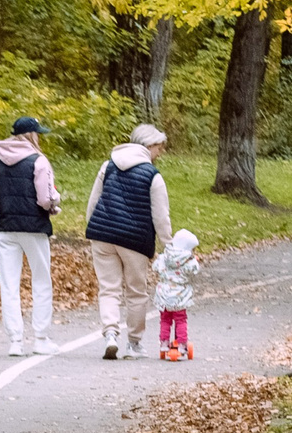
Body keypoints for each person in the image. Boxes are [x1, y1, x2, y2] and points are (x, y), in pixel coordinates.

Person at [83, 123, 172, 360]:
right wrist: (168, 245)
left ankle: (111, 334)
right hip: (134, 239)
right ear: (148, 145)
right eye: (158, 147)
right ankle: (133, 343)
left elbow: (93, 201)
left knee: (109, 289)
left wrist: (92, 227)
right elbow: (160, 216)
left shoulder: (108, 165)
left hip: (102, 235)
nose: (160, 152)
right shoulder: (153, 175)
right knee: (136, 292)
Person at [0, 113, 59, 355]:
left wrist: (2, 205)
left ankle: (15, 341)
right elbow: (45, 199)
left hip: (7, 228)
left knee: (9, 284)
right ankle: (41, 338)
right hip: (34, 228)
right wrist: (56, 200)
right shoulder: (39, 161)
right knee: (41, 281)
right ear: (31, 136)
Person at [153, 229, 203, 361]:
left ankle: (164, 343)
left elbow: (155, 267)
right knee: (180, 320)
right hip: (179, 296)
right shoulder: (188, 260)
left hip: (164, 295)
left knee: (165, 320)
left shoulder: (164, 256)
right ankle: (182, 345)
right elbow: (195, 271)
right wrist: (195, 261)